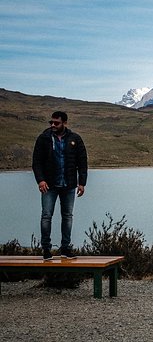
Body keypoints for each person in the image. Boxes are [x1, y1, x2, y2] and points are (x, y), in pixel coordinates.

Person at [32, 111, 88, 260]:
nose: (53, 125)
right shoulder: (43, 138)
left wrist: (82, 183)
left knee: (67, 216)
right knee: (46, 216)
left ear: (65, 123)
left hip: (69, 184)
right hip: (49, 185)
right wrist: (40, 180)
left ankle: (65, 248)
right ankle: (46, 250)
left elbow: (82, 162)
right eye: (51, 122)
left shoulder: (75, 139)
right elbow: (36, 162)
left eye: (56, 123)